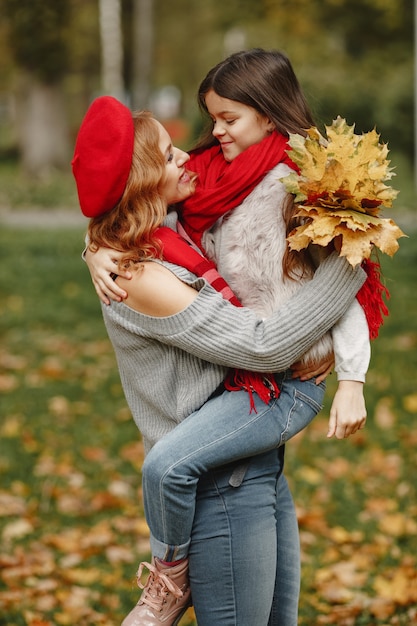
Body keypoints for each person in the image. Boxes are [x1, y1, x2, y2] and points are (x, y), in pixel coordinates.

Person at [72, 95, 366, 625]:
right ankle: (169, 574)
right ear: (141, 183)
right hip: (218, 484)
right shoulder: (143, 277)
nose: (185, 155)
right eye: (166, 155)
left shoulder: (163, 236)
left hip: (254, 459)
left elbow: (114, 220)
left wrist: (91, 247)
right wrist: (347, 269)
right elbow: (263, 347)